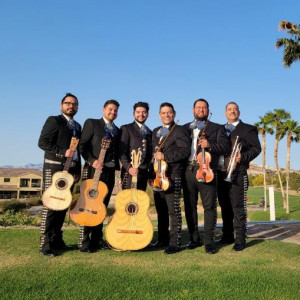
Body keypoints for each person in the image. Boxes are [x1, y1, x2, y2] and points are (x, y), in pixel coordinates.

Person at [183, 99, 230, 254]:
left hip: (207, 170)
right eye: (198, 107)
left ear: (208, 110)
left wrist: (210, 145)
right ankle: (194, 239)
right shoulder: (184, 128)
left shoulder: (217, 128)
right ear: (193, 110)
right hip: (188, 171)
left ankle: (209, 242)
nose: (201, 109)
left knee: (209, 207)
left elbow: (225, 147)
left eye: (204, 107)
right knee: (190, 207)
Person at [38, 93, 81, 257]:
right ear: (61, 105)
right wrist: (63, 152)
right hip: (54, 168)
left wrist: (77, 170)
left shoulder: (77, 126)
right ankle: (45, 244)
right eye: (68, 103)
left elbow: (76, 152)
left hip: (70, 172)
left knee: (62, 206)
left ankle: (56, 239)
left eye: (74, 104)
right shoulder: (54, 120)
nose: (71, 106)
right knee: (50, 206)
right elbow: (42, 142)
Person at [217, 102, 261, 251]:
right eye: (229, 109)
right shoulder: (220, 129)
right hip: (221, 173)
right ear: (225, 113)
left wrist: (242, 156)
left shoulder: (248, 129)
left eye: (235, 109)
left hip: (238, 173)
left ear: (239, 113)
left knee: (238, 207)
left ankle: (240, 240)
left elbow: (257, 148)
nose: (232, 111)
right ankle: (227, 236)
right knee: (225, 207)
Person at [78, 100, 120, 253]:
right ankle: (84, 241)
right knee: (90, 204)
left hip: (109, 172)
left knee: (102, 206)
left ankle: (97, 239)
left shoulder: (117, 130)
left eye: (115, 110)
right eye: (110, 109)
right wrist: (91, 161)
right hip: (93, 171)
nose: (112, 113)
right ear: (103, 109)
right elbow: (82, 145)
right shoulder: (92, 123)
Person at [151, 102, 191, 254]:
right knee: (161, 210)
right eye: (163, 113)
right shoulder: (155, 131)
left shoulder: (179, 130)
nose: (166, 115)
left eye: (169, 112)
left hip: (172, 175)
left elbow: (185, 151)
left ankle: (175, 242)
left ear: (173, 114)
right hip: (157, 175)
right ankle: (162, 239)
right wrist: (151, 174)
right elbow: (153, 154)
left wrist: (165, 156)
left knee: (173, 210)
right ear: (159, 115)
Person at [120, 102, 152, 191]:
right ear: (134, 114)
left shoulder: (150, 132)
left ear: (147, 114)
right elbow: (122, 152)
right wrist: (129, 168)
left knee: (140, 203)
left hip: (144, 173)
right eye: (138, 112)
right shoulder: (126, 129)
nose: (141, 114)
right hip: (129, 172)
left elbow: (150, 156)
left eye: (144, 112)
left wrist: (150, 174)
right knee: (128, 202)